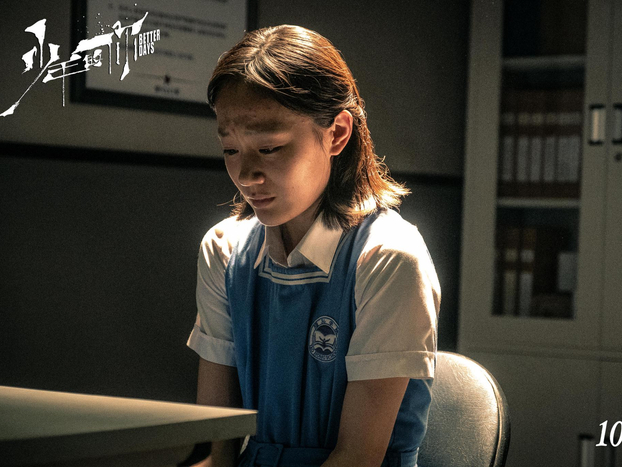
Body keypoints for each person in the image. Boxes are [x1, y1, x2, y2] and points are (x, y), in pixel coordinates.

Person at [186, 24, 440, 467]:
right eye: (230, 150)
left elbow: (357, 457)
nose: (246, 175)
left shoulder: (388, 258)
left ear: (337, 133)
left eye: (270, 148)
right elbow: (215, 448)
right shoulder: (225, 250)